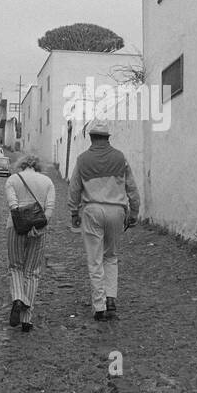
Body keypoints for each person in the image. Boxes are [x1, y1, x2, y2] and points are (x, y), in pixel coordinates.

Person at [68, 120, 139, 322]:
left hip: (92, 210)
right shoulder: (120, 158)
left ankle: (98, 306)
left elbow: (74, 189)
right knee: (111, 256)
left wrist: (74, 212)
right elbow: (132, 188)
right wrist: (134, 212)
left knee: (95, 259)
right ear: (108, 138)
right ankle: (111, 299)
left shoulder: (82, 159)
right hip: (117, 211)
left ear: (91, 138)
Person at [5, 154, 54, 333]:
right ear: (38, 166)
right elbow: (49, 209)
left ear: (22, 165)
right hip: (39, 230)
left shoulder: (12, 180)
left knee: (15, 267)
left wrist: (23, 227)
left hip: (15, 228)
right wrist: (38, 227)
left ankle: (18, 298)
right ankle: (26, 319)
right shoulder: (47, 181)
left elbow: (13, 206)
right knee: (32, 271)